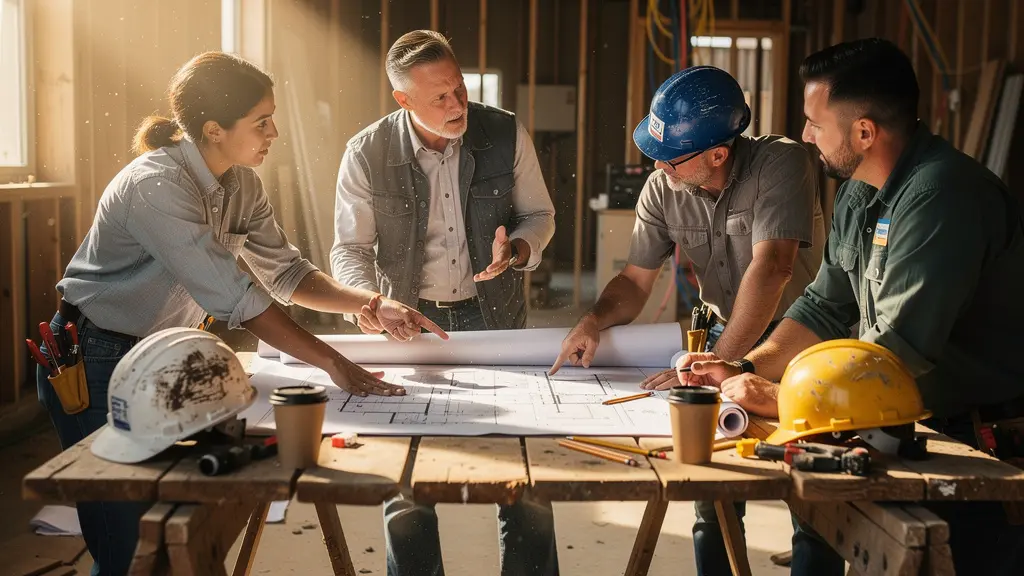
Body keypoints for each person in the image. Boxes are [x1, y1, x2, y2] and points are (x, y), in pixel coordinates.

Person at [37, 51, 447, 576]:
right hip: (95, 358)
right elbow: (241, 301)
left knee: (180, 530)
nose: (273, 131)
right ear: (213, 129)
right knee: (126, 546)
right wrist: (334, 363)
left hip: (164, 356)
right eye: (261, 122)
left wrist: (371, 303)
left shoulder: (242, 184)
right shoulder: (155, 186)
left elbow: (289, 275)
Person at [679, 38, 1024, 575]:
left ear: (864, 132)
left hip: (976, 448)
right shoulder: (862, 191)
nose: (805, 136)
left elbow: (895, 353)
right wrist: (745, 367)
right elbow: (823, 309)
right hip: (903, 429)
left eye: (815, 123)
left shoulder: (941, 196)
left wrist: (778, 395)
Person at [551, 65, 825, 575]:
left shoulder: (782, 162)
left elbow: (773, 268)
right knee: (709, 487)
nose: (658, 168)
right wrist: (593, 320)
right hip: (724, 334)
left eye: (670, 159)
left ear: (718, 154)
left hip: (799, 339)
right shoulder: (662, 188)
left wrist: (721, 363)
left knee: (811, 492)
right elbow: (634, 283)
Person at [330, 30, 558, 576]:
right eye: (440, 97)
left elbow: (540, 215)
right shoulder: (366, 152)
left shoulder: (503, 132)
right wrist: (371, 302)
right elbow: (349, 250)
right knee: (408, 482)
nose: (458, 105)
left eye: (459, 88)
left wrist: (520, 249)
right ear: (403, 100)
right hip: (409, 323)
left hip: (496, 318)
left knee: (524, 474)